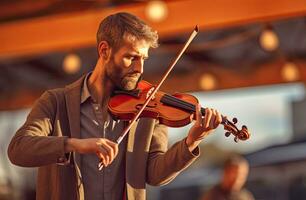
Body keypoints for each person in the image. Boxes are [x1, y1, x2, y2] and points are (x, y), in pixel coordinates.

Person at [7, 12, 223, 200]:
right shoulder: (55, 102)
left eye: (144, 59)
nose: (140, 68)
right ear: (104, 51)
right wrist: (76, 144)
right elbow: (18, 150)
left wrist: (192, 141)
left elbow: (155, 175)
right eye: (131, 57)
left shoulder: (148, 109)